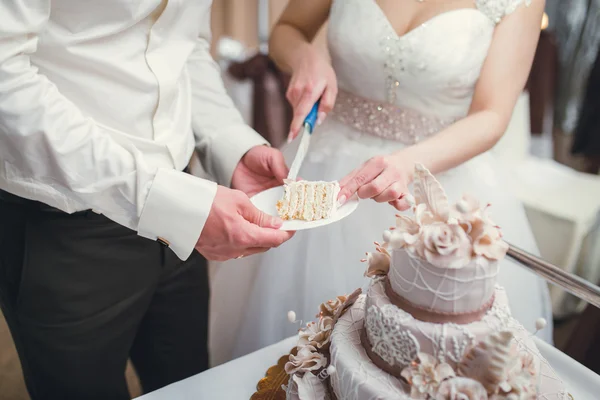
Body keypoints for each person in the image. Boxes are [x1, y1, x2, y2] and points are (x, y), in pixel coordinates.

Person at [210, 0, 553, 365]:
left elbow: (492, 115)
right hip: (330, 170)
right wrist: (304, 57)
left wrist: (408, 164)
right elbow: (287, 30)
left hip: (438, 181)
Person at [0, 1, 293, 399]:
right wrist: (159, 199)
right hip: (62, 225)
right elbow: (5, 74)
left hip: (185, 207)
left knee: (189, 386)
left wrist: (228, 141)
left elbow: (182, 44)